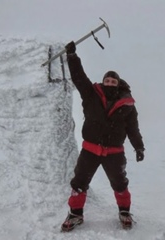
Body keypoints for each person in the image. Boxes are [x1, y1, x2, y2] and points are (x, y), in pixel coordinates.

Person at [61, 41, 145, 232]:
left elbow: (133, 128)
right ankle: (75, 214)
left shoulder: (127, 104)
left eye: (113, 82)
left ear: (118, 84)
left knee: (120, 183)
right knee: (79, 182)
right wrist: (72, 57)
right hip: (90, 150)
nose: (109, 84)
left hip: (115, 152)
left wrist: (139, 147)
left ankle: (124, 211)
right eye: (107, 81)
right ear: (103, 82)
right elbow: (80, 78)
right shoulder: (92, 95)